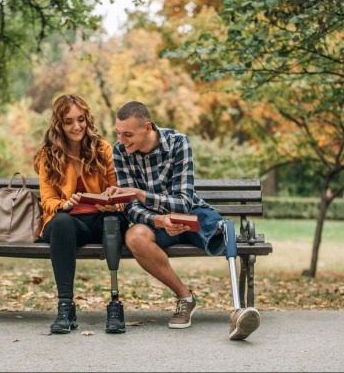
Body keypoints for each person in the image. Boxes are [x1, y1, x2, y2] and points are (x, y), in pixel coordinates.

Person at [106, 101, 261, 340]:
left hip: (192, 214)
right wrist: (158, 220)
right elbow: (130, 207)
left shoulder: (178, 142)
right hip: (155, 223)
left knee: (222, 230)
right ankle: (185, 297)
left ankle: (239, 310)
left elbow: (184, 202)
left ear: (147, 127)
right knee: (134, 236)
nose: (122, 140)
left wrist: (142, 194)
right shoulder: (119, 150)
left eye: (128, 134)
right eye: (118, 133)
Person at [33, 93, 128, 334]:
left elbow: (117, 189)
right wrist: (63, 205)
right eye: (68, 121)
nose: (77, 126)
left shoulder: (103, 149)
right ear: (59, 125)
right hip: (69, 224)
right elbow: (47, 200)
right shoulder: (49, 155)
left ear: (87, 119)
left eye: (81, 119)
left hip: (100, 219)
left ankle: (115, 305)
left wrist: (113, 203)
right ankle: (65, 307)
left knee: (113, 221)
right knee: (63, 222)